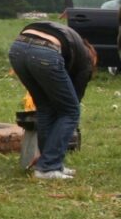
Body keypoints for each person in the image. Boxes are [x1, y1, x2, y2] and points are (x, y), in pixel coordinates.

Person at [8, 20, 95, 180]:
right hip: (45, 52)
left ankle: (46, 163)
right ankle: (49, 167)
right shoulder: (86, 62)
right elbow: (73, 102)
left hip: (18, 48)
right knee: (70, 112)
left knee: (45, 108)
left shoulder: (71, 43)